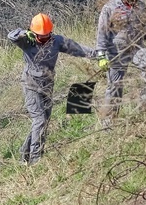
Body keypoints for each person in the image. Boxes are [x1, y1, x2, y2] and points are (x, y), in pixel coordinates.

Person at [8, 13, 92, 165]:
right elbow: (11, 36)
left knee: (44, 121)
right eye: (41, 37)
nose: (44, 40)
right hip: (31, 86)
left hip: (47, 86)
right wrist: (23, 33)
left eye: (47, 36)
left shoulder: (56, 41)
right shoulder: (26, 41)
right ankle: (35, 160)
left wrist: (97, 54)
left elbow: (77, 48)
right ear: (33, 33)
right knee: (39, 120)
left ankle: (25, 154)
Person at [96, 0, 146, 121]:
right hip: (116, 51)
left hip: (137, 47)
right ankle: (109, 121)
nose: (134, 0)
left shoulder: (141, 7)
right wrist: (101, 56)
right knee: (115, 86)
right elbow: (101, 34)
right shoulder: (109, 8)